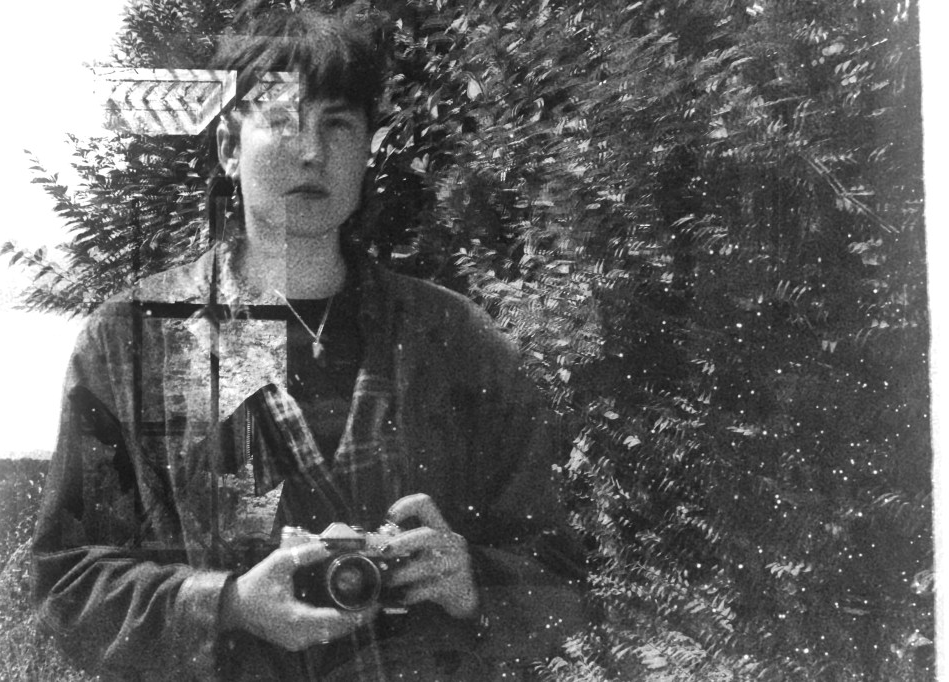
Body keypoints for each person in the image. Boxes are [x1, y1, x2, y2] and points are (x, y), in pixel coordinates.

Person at [32, 7, 584, 681]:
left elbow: (560, 575)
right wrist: (228, 604)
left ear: (367, 148)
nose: (312, 151)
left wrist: (473, 580)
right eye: (282, 120)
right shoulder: (132, 339)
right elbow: (66, 584)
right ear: (229, 146)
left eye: (338, 124)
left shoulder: (459, 340)